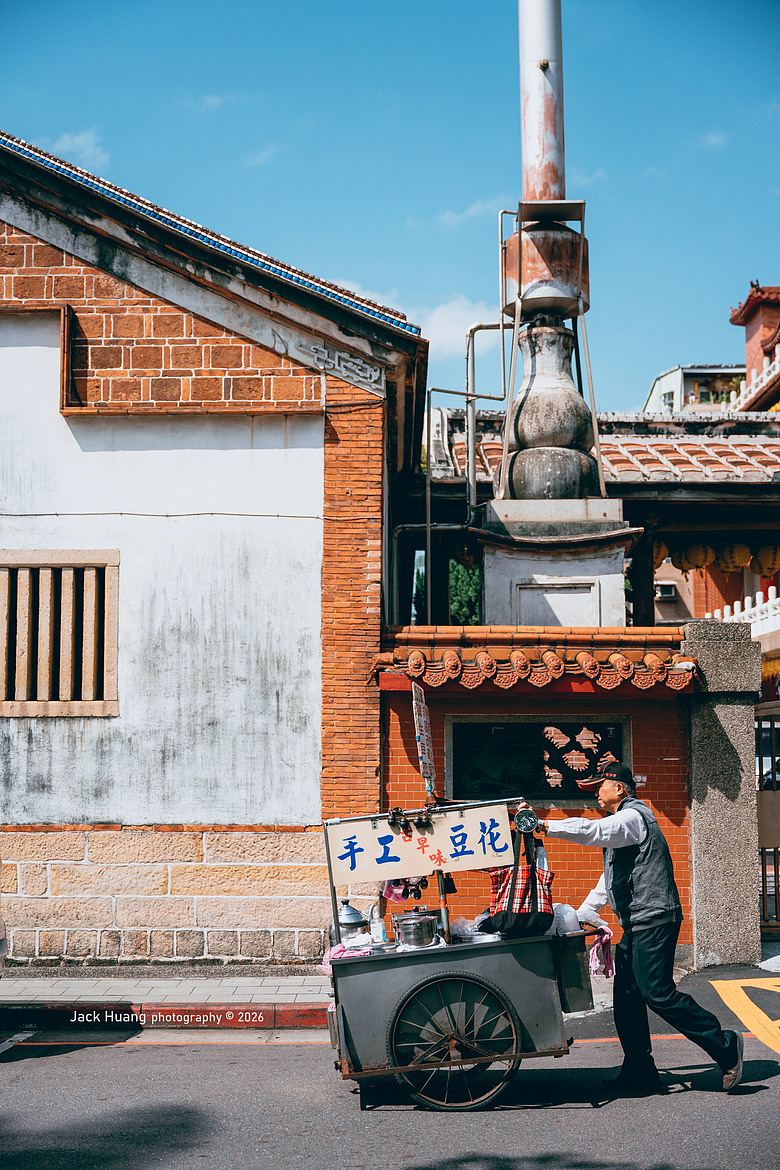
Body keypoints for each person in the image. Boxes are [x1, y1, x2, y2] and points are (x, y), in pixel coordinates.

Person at [527, 759, 744, 1095]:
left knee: (658, 993)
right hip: (639, 924)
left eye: (600, 786)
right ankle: (640, 1071)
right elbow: (610, 878)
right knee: (627, 996)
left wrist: (544, 826)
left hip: (655, 919)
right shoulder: (621, 825)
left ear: (620, 788)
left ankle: (725, 1045)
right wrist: (585, 911)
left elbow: (592, 832)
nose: (595, 793)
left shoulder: (632, 817)